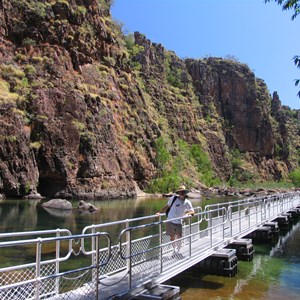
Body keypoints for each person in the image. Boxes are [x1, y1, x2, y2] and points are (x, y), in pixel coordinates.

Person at [157, 185, 194, 256]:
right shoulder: (174, 198)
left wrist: (188, 213)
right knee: (172, 236)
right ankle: (174, 249)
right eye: (180, 192)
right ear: (178, 193)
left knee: (179, 236)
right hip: (170, 220)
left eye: (183, 192)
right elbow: (167, 205)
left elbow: (193, 211)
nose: (181, 193)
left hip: (179, 221)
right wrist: (159, 212)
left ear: (185, 193)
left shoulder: (187, 202)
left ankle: (178, 250)